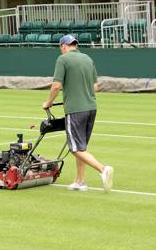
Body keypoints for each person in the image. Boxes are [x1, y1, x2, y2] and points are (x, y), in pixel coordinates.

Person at [42, 34, 113, 192]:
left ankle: (103, 169)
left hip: (75, 109)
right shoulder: (88, 58)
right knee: (82, 147)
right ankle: (80, 181)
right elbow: (96, 86)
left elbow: (56, 85)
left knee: (75, 148)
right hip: (91, 108)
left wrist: (49, 102)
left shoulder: (63, 59)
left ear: (64, 46)